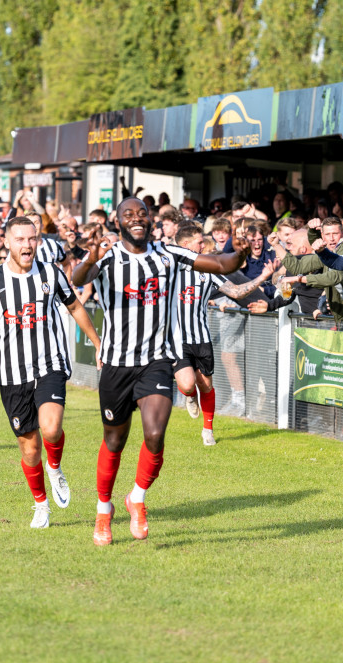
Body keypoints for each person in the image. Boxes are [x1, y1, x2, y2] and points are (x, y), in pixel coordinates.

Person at [72, 197, 248, 546]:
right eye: (128, 215)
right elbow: (80, 277)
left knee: (155, 434)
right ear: (118, 221)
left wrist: (239, 253)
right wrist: (89, 257)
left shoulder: (167, 253)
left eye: (142, 214)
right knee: (114, 440)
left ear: (150, 219)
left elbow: (220, 263)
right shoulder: (107, 257)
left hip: (157, 360)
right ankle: (103, 509)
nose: (136, 219)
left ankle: (136, 499)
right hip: (116, 364)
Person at [0, 217, 102, 529]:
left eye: (32, 238)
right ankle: (41, 505)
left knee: (51, 429)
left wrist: (97, 342)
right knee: (29, 447)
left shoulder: (50, 273)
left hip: (50, 364)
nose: (27, 245)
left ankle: (56, 468)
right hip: (12, 375)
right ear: (7, 243)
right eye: (20, 239)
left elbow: (75, 306)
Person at [172, 224, 277, 447]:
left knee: (207, 387)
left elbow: (236, 291)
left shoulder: (209, 269)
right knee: (188, 384)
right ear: (185, 246)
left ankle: (208, 430)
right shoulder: (169, 270)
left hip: (201, 338)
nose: (204, 245)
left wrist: (263, 277)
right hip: (177, 339)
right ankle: (189, 395)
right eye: (199, 242)